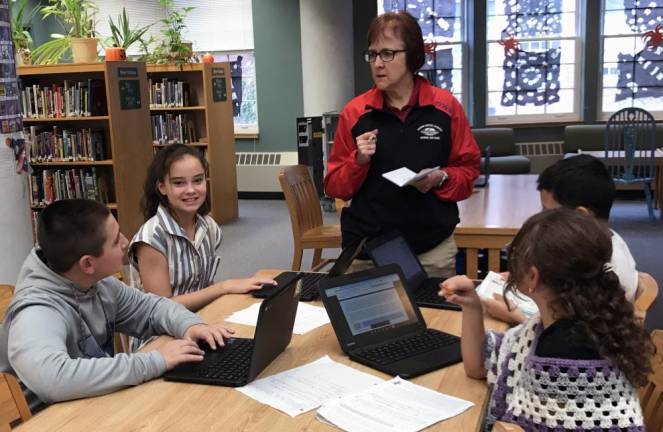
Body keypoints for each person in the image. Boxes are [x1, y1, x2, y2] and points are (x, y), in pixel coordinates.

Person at [0, 199, 233, 406]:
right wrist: (156, 360)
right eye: (115, 241)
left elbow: (152, 307)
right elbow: (54, 380)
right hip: (54, 420)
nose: (126, 242)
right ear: (87, 264)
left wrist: (191, 326)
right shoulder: (35, 313)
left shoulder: (94, 282)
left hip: (95, 402)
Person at [441, 209, 652, 431]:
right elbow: (478, 367)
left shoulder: (563, 349)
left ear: (533, 276)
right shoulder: (588, 318)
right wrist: (471, 306)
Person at [324, 11, 480, 278]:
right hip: (368, 250)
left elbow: (468, 172)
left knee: (437, 320)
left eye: (387, 54)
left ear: (413, 56)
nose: (377, 64)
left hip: (431, 250)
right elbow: (334, 186)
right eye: (372, 55)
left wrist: (440, 178)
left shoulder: (445, 107)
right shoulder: (355, 112)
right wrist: (358, 162)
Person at [482, 154, 639, 325]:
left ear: (580, 216)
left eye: (548, 212)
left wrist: (517, 318)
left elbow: (581, 336)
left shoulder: (608, 270)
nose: (542, 219)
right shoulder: (597, 245)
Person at [129, 144, 275, 316]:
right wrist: (224, 287)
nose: (191, 190)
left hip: (200, 319)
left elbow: (200, 287)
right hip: (161, 335)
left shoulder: (208, 226)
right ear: (162, 187)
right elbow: (162, 308)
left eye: (198, 180)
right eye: (179, 183)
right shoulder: (151, 239)